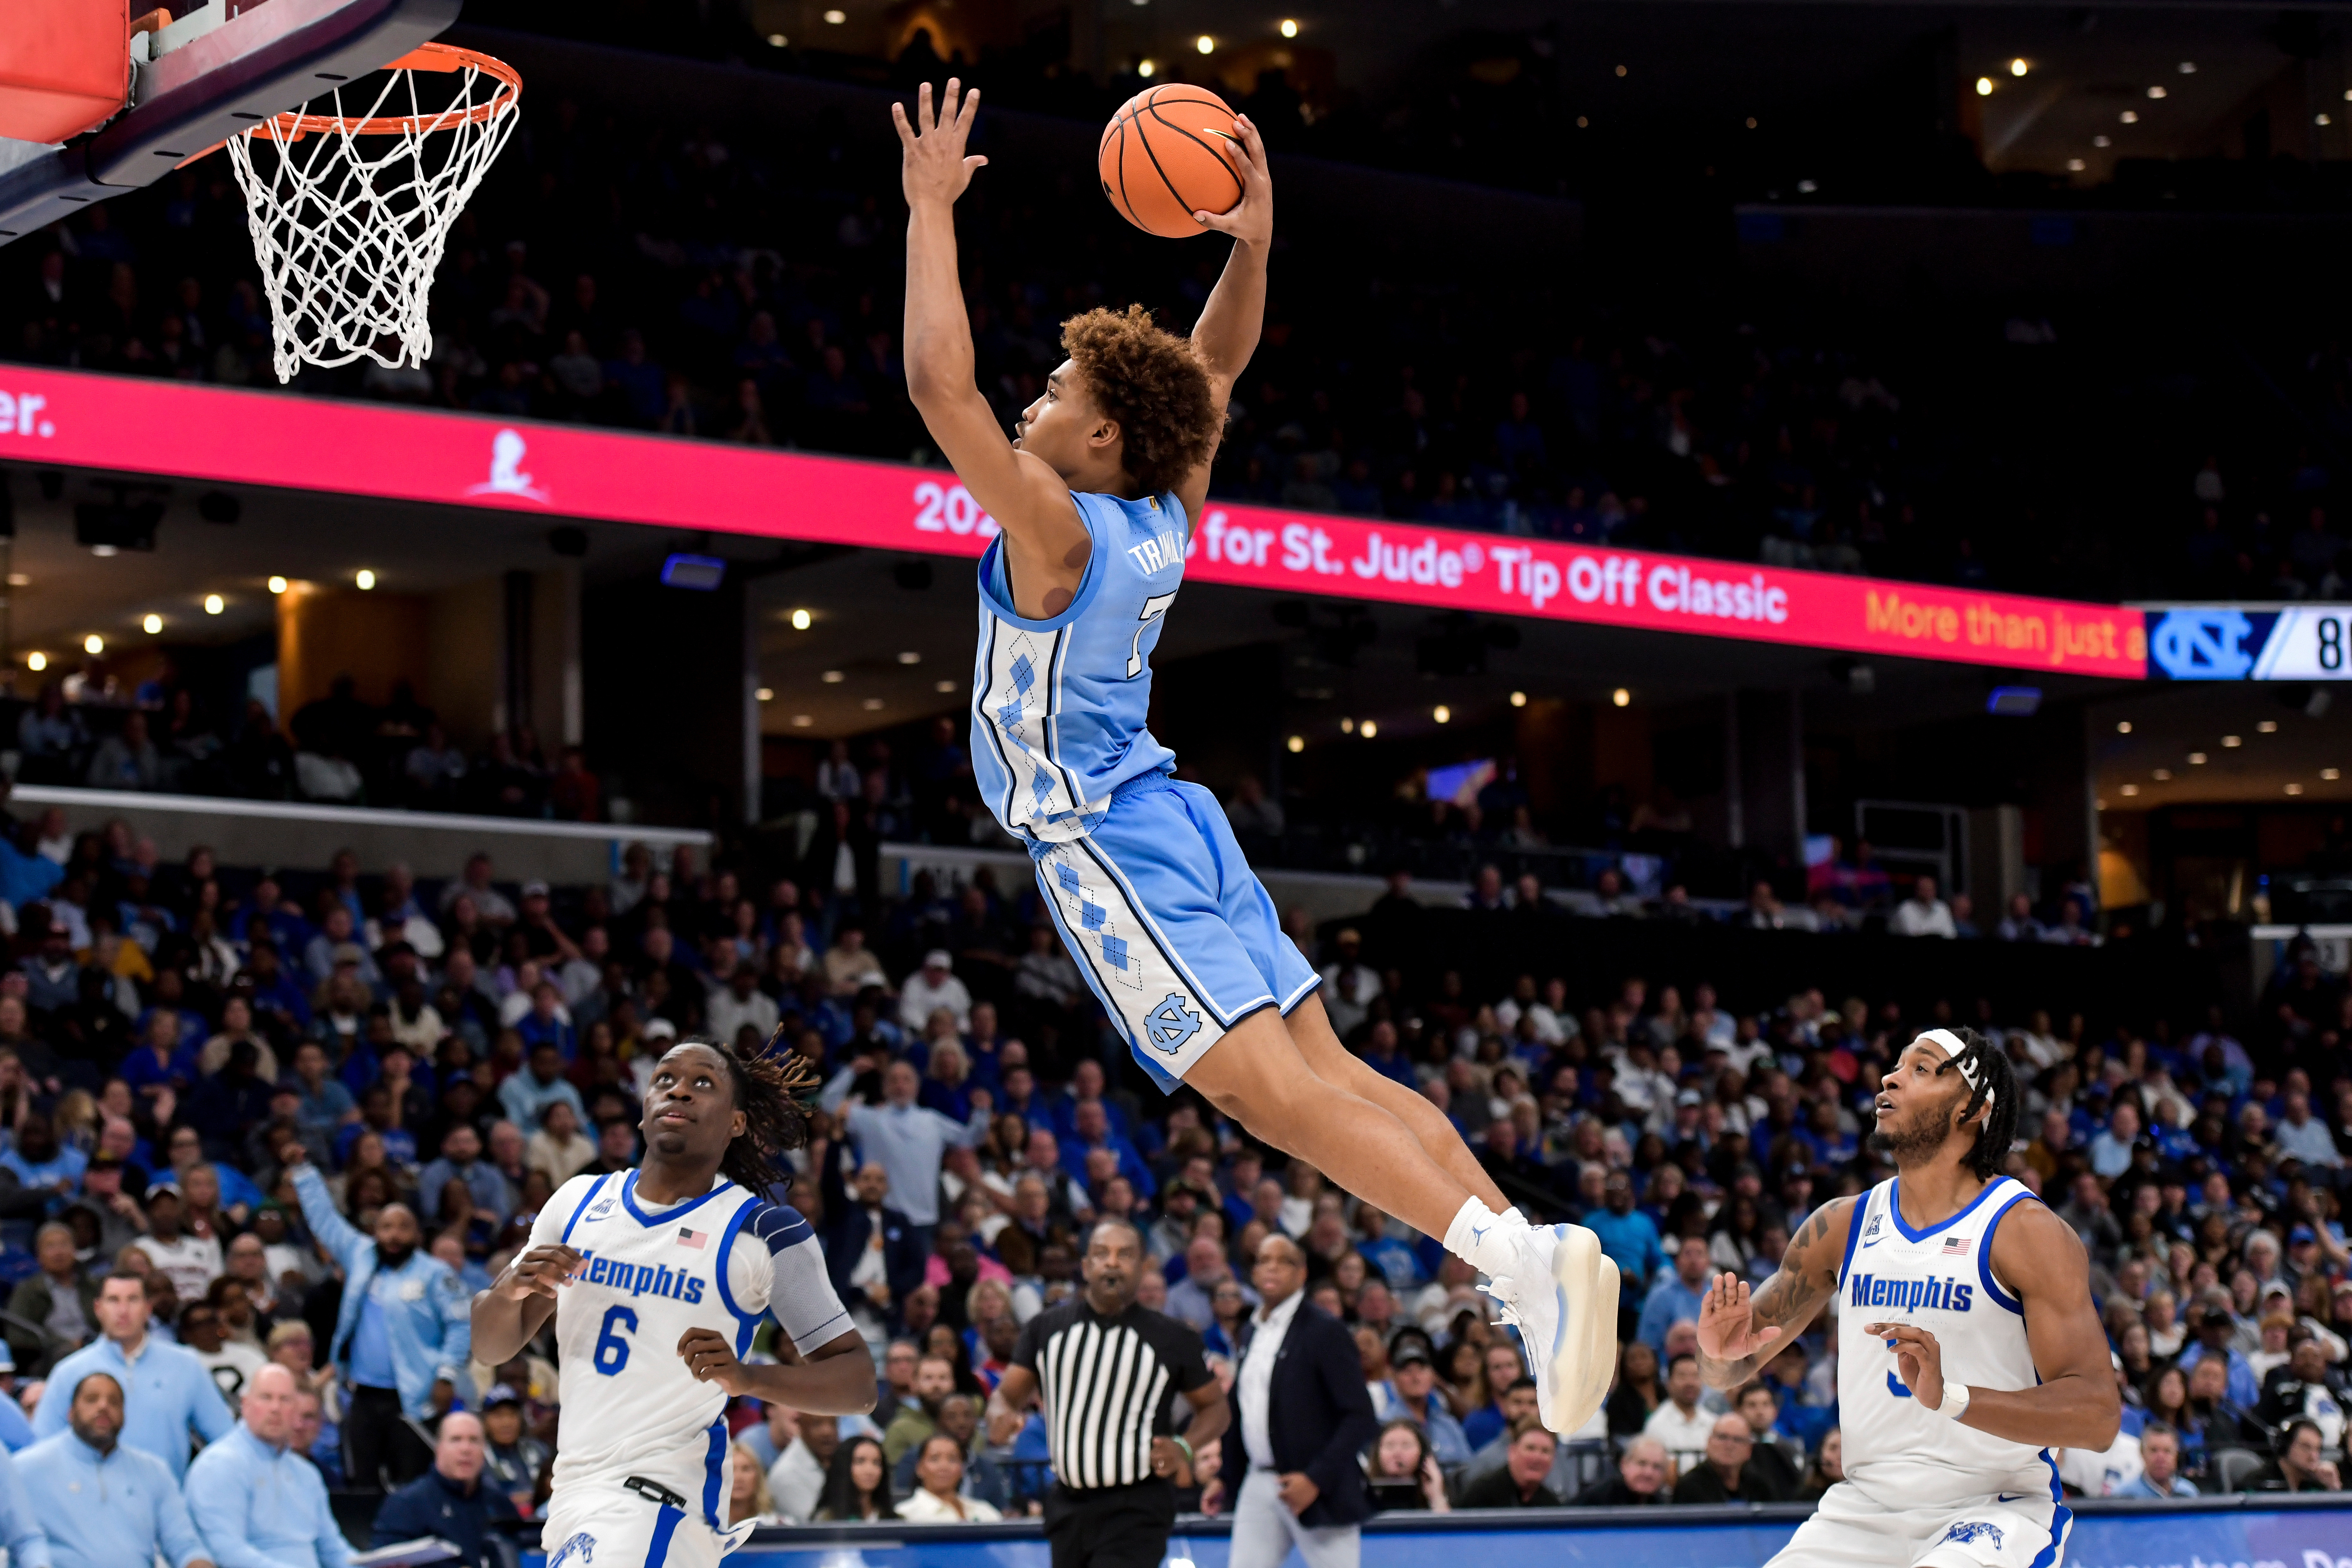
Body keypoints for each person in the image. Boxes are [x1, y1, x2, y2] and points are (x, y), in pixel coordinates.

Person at [897, 77, 1610, 1435]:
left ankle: (1518, 1260)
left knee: (1274, 1102)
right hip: (1178, 814)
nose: (1033, 396)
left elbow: (939, 385)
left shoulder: (1058, 533)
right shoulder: (1164, 502)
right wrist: (1253, 246)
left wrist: (931, 211)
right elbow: (1212, 372)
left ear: (1096, 436)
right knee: (1337, 1077)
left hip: (1102, 833)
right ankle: (1532, 1259)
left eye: (1054, 389)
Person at [1697, 1027, 2119, 1568]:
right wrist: (1718, 1351)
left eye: (1920, 1068)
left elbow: (2096, 1415)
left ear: (1970, 1108)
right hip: (1863, 1509)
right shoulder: (1840, 1224)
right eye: (1896, 1065)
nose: (1889, 1076)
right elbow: (1726, 1372)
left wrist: (1952, 1396)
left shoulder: (2024, 1230)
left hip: (1991, 1509)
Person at [470, 1033, 874, 1568]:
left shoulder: (763, 1231)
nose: (678, 1091)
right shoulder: (577, 1201)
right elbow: (489, 1345)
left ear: (736, 1121)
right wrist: (511, 1287)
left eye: (702, 1082)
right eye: (665, 1079)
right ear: (643, 1109)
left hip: (659, 1494)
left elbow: (858, 1382)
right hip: (573, 1495)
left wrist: (748, 1378)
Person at [985, 1220, 1228, 1568]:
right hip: (1068, 1506)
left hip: (1137, 1506)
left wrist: (1184, 1447)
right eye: (1102, 1254)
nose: (1112, 1263)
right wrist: (999, 1417)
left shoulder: (1173, 1339)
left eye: (1124, 1255)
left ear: (1143, 1268)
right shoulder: (1045, 1329)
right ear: (1086, 1266)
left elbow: (1216, 1409)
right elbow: (1007, 1397)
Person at [285, 1147, 468, 1489]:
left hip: (413, 1395)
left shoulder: (435, 1274)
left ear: (418, 1235)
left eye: (403, 1228)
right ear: (375, 1233)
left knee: (411, 1482)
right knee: (361, 1481)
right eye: (386, 1228)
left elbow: (460, 1325)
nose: (394, 1236)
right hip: (364, 1395)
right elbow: (324, 1220)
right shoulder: (360, 1256)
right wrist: (303, 1172)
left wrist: (446, 1375)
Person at [1229, 1235, 1377, 1568]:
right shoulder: (1252, 1331)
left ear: (1302, 1274)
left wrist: (1315, 1479)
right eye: (1264, 1260)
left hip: (1317, 1485)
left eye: (1284, 1261)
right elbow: (1246, 1411)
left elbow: (1360, 1416)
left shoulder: (1324, 1331)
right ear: (1253, 1272)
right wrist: (1225, 1479)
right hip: (1259, 1481)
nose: (1272, 1267)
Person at [32, 1269, 233, 1481]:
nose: (123, 1310)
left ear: (148, 1309)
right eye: (114, 1300)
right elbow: (42, 1451)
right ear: (98, 1308)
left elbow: (226, 1442)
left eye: (133, 1300)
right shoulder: (69, 1372)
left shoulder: (186, 1365)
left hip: (167, 1506)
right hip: (89, 1506)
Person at [15, 1369, 211, 1568]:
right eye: (92, 1399)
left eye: (114, 1402)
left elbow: (185, 1546)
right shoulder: (28, 1468)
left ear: (125, 1415)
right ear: (71, 1413)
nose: (103, 1406)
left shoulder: (153, 1471)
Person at [182, 1364, 348, 1568]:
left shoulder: (307, 1474)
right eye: (266, 1398)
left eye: (285, 1400)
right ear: (245, 1405)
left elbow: (333, 1550)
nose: (275, 1408)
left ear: (295, 1411)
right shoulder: (219, 1465)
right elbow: (224, 1550)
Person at [370, 1411, 519, 1568]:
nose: (466, 1449)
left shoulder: (498, 1502)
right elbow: (382, 1559)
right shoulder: (406, 1504)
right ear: (439, 1448)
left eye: (474, 1441)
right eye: (456, 1440)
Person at [1671, 1413, 1784, 1503]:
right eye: (1723, 1437)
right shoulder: (1689, 1488)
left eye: (1738, 1440)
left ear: (1749, 1450)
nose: (1729, 1446)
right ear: (1709, 1442)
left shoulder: (1759, 1486)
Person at [894, 1431, 1003, 1523]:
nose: (944, 1467)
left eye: (952, 1459)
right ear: (920, 1468)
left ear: (962, 1469)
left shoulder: (984, 1510)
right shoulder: (905, 1515)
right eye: (935, 1459)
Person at [1454, 1418, 1562, 1508]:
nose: (1537, 1458)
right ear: (1512, 1452)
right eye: (1530, 1449)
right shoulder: (1481, 1494)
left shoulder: (1552, 1506)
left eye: (1546, 1451)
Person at [1640, 1353, 1714, 1476]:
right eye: (1682, 1376)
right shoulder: (1657, 1424)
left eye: (1696, 1376)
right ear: (1668, 1383)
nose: (1690, 1383)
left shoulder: (1713, 1422)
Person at [1361, 1420, 1449, 1513]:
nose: (1397, 1453)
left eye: (1406, 1446)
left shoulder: (1436, 1489)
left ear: (1423, 1454)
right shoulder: (1364, 1489)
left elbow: (1447, 1527)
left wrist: (1437, 1496)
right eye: (1390, 1446)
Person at [766, 1411, 839, 1523]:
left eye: (833, 1424)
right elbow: (815, 1527)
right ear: (801, 1427)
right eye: (817, 1424)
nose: (828, 1432)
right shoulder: (786, 1475)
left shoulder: (839, 1459)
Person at [2242, 1419, 2343, 1493]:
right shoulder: (2260, 1484)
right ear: (2286, 1446)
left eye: (2318, 1449)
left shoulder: (2316, 1485)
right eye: (2306, 1447)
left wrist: (2333, 1488)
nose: (2314, 1456)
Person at [1569, 1432, 1671, 1506]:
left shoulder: (1664, 1505)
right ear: (1624, 1464)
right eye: (1642, 1464)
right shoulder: (1596, 1499)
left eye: (1657, 1467)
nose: (1649, 1473)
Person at [813, 1436, 893, 1522]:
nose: (870, 1471)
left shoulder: (896, 1521)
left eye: (877, 1463)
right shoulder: (826, 1520)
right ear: (844, 1467)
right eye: (860, 1462)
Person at [2117, 1420, 2197, 1499]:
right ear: (2142, 1453)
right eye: (2154, 1450)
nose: (2161, 1458)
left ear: (2176, 1454)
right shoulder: (2124, 1495)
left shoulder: (2189, 1493)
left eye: (2167, 1451)